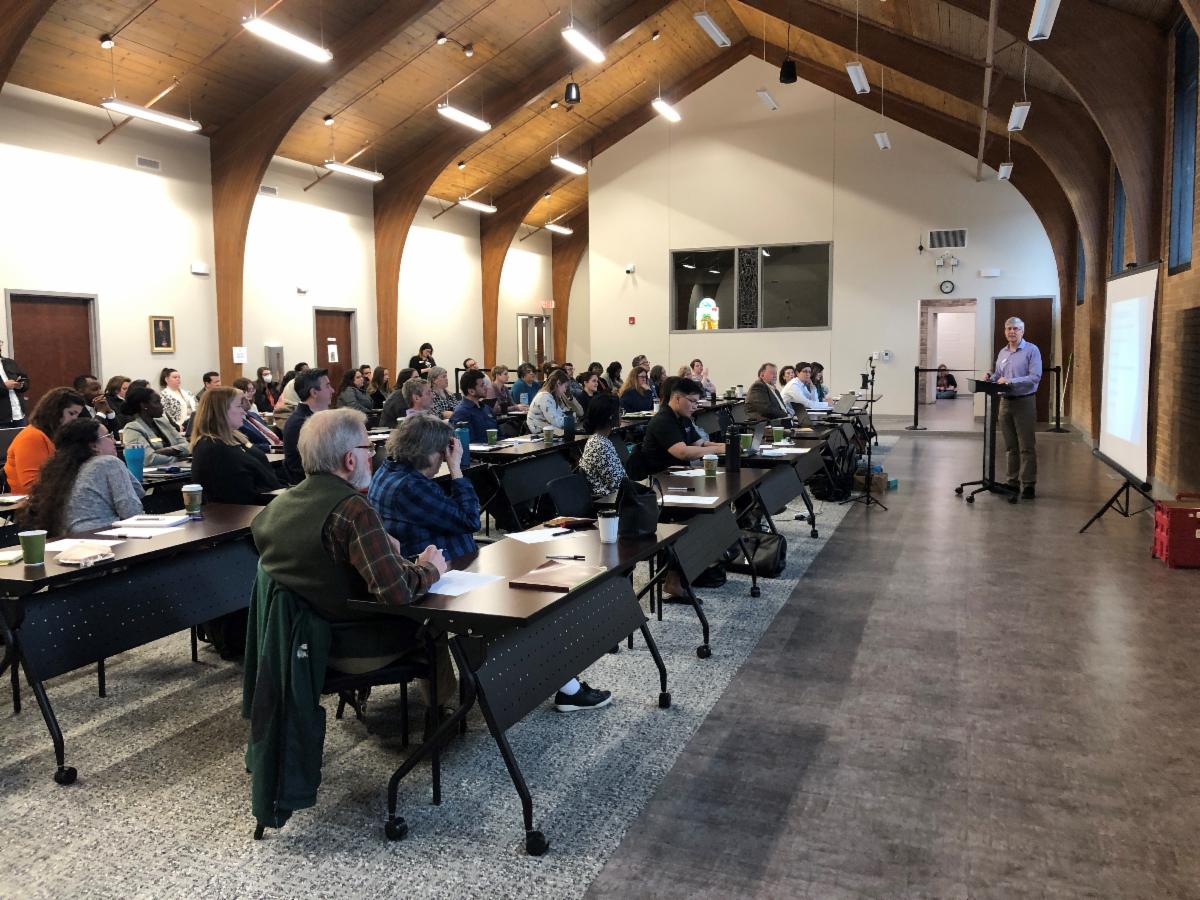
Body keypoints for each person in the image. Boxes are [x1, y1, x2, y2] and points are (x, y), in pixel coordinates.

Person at [251, 408, 455, 696]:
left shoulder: (275, 509)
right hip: (352, 645)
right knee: (434, 620)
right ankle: (447, 709)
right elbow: (396, 594)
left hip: (299, 643)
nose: (371, 455)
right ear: (349, 459)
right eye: (367, 448)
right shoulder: (353, 510)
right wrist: (430, 568)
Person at [369, 416, 480, 560]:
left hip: (428, 559)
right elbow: (471, 521)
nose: (445, 458)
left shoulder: (385, 470)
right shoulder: (412, 487)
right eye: (443, 451)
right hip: (446, 565)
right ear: (429, 452)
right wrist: (456, 469)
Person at [22, 418, 143, 535]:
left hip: (68, 539)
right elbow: (131, 512)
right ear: (94, 446)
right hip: (106, 536)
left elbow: (138, 491)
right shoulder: (109, 463)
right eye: (108, 436)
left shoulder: (62, 470)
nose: (114, 440)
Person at [190, 386, 280, 504]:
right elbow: (239, 494)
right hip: (249, 509)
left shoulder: (235, 438)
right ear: (220, 411)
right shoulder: (213, 447)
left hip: (268, 498)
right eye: (238, 406)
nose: (243, 411)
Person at [991, 316, 1042, 499]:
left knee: (1026, 446)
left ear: (1022, 331)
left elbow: (1035, 377)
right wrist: (990, 377)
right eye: (1008, 328)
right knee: (1010, 446)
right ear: (1005, 331)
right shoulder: (1003, 352)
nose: (1012, 331)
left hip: (1024, 402)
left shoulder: (1031, 350)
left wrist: (1011, 381)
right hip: (1005, 403)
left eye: (1015, 328)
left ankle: (1028, 484)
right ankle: (1012, 482)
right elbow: (998, 375)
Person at [4, 388, 87, 494]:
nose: (74, 419)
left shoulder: (54, 436)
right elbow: (31, 486)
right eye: (71, 413)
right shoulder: (32, 437)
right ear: (55, 411)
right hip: (27, 501)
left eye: (77, 415)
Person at [640, 377, 721, 473]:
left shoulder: (684, 417)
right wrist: (717, 449)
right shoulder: (662, 420)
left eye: (697, 402)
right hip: (662, 476)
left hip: (680, 472)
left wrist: (727, 446)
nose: (695, 407)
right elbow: (683, 452)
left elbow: (701, 444)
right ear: (677, 398)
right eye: (692, 401)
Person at [282, 368, 333, 485]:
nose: (332, 390)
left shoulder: (317, 417)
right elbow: (314, 465)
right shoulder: (300, 423)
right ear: (314, 392)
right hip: (312, 484)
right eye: (327, 386)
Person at [120, 387, 192, 465]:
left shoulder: (162, 422)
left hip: (179, 467)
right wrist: (179, 458)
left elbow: (188, 446)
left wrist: (170, 450)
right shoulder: (132, 429)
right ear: (144, 405)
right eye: (157, 402)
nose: (162, 406)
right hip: (155, 471)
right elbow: (149, 459)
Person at [578, 394, 627, 497]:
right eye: (619, 411)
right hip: (609, 500)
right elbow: (617, 484)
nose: (621, 415)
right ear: (610, 416)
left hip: (615, 496)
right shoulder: (599, 445)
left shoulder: (600, 440)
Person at [233, 377, 284, 450]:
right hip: (268, 450)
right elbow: (247, 445)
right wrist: (273, 448)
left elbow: (267, 432)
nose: (251, 393)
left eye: (252, 390)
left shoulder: (253, 414)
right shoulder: (235, 422)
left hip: (277, 444)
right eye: (248, 390)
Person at [527, 368, 583, 433]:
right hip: (541, 433)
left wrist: (571, 418)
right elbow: (557, 422)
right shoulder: (544, 397)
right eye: (565, 386)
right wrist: (572, 418)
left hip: (548, 430)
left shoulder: (551, 396)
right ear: (558, 383)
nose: (565, 390)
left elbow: (560, 414)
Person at [450, 369, 497, 444]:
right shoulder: (461, 413)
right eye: (482, 385)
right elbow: (470, 443)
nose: (486, 387)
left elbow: (499, 434)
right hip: (481, 450)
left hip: (497, 447)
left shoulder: (486, 408)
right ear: (471, 391)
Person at [0, 339, 30, 428]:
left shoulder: (10, 362)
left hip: (20, 415)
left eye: (0, 343)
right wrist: (4, 386)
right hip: (2, 420)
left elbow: (24, 378)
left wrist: (21, 385)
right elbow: (5, 386)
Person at [158, 368, 196, 433]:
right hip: (180, 424)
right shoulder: (164, 395)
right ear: (166, 379)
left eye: (179, 377)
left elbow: (197, 406)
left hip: (193, 420)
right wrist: (176, 425)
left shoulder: (187, 392)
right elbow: (165, 414)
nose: (178, 379)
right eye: (175, 377)